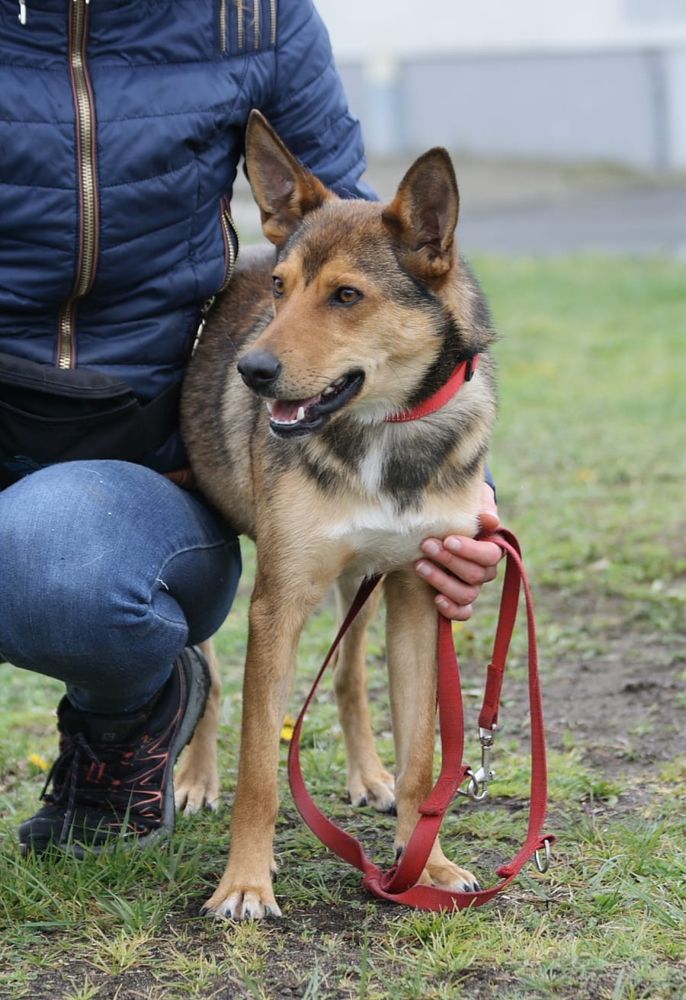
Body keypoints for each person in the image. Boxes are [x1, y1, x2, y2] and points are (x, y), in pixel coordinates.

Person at [0, 0, 501, 856]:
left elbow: (357, 233)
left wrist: (468, 496)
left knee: (59, 564)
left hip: (146, 455)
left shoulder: (252, 16)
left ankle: (123, 722)